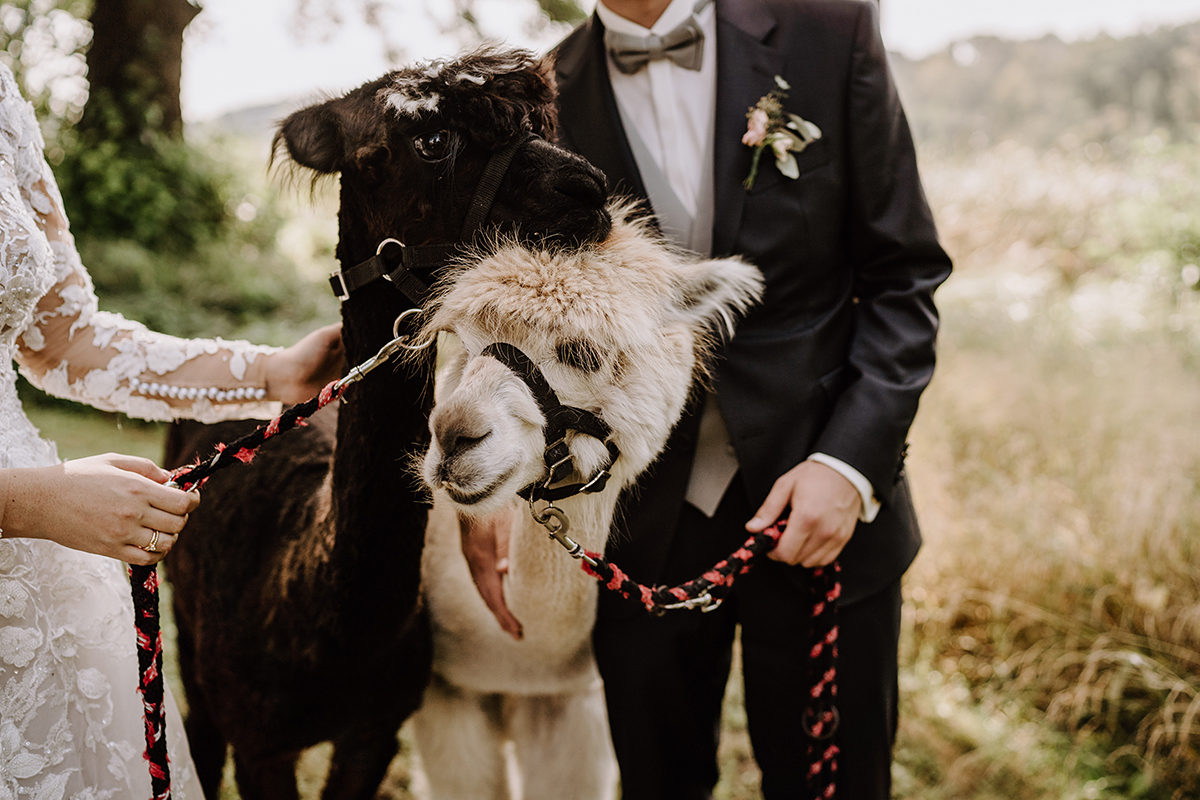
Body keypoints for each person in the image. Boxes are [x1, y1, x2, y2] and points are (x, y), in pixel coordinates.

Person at [461, 0, 953, 797]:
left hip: (821, 505)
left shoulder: (830, 29)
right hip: (637, 518)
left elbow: (905, 279)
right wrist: (484, 494)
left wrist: (849, 464)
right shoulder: (538, 96)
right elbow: (509, 310)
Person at [0, 62, 342, 798]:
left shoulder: (1, 94)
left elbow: (64, 341)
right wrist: (26, 502)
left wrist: (272, 375)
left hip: (43, 581)